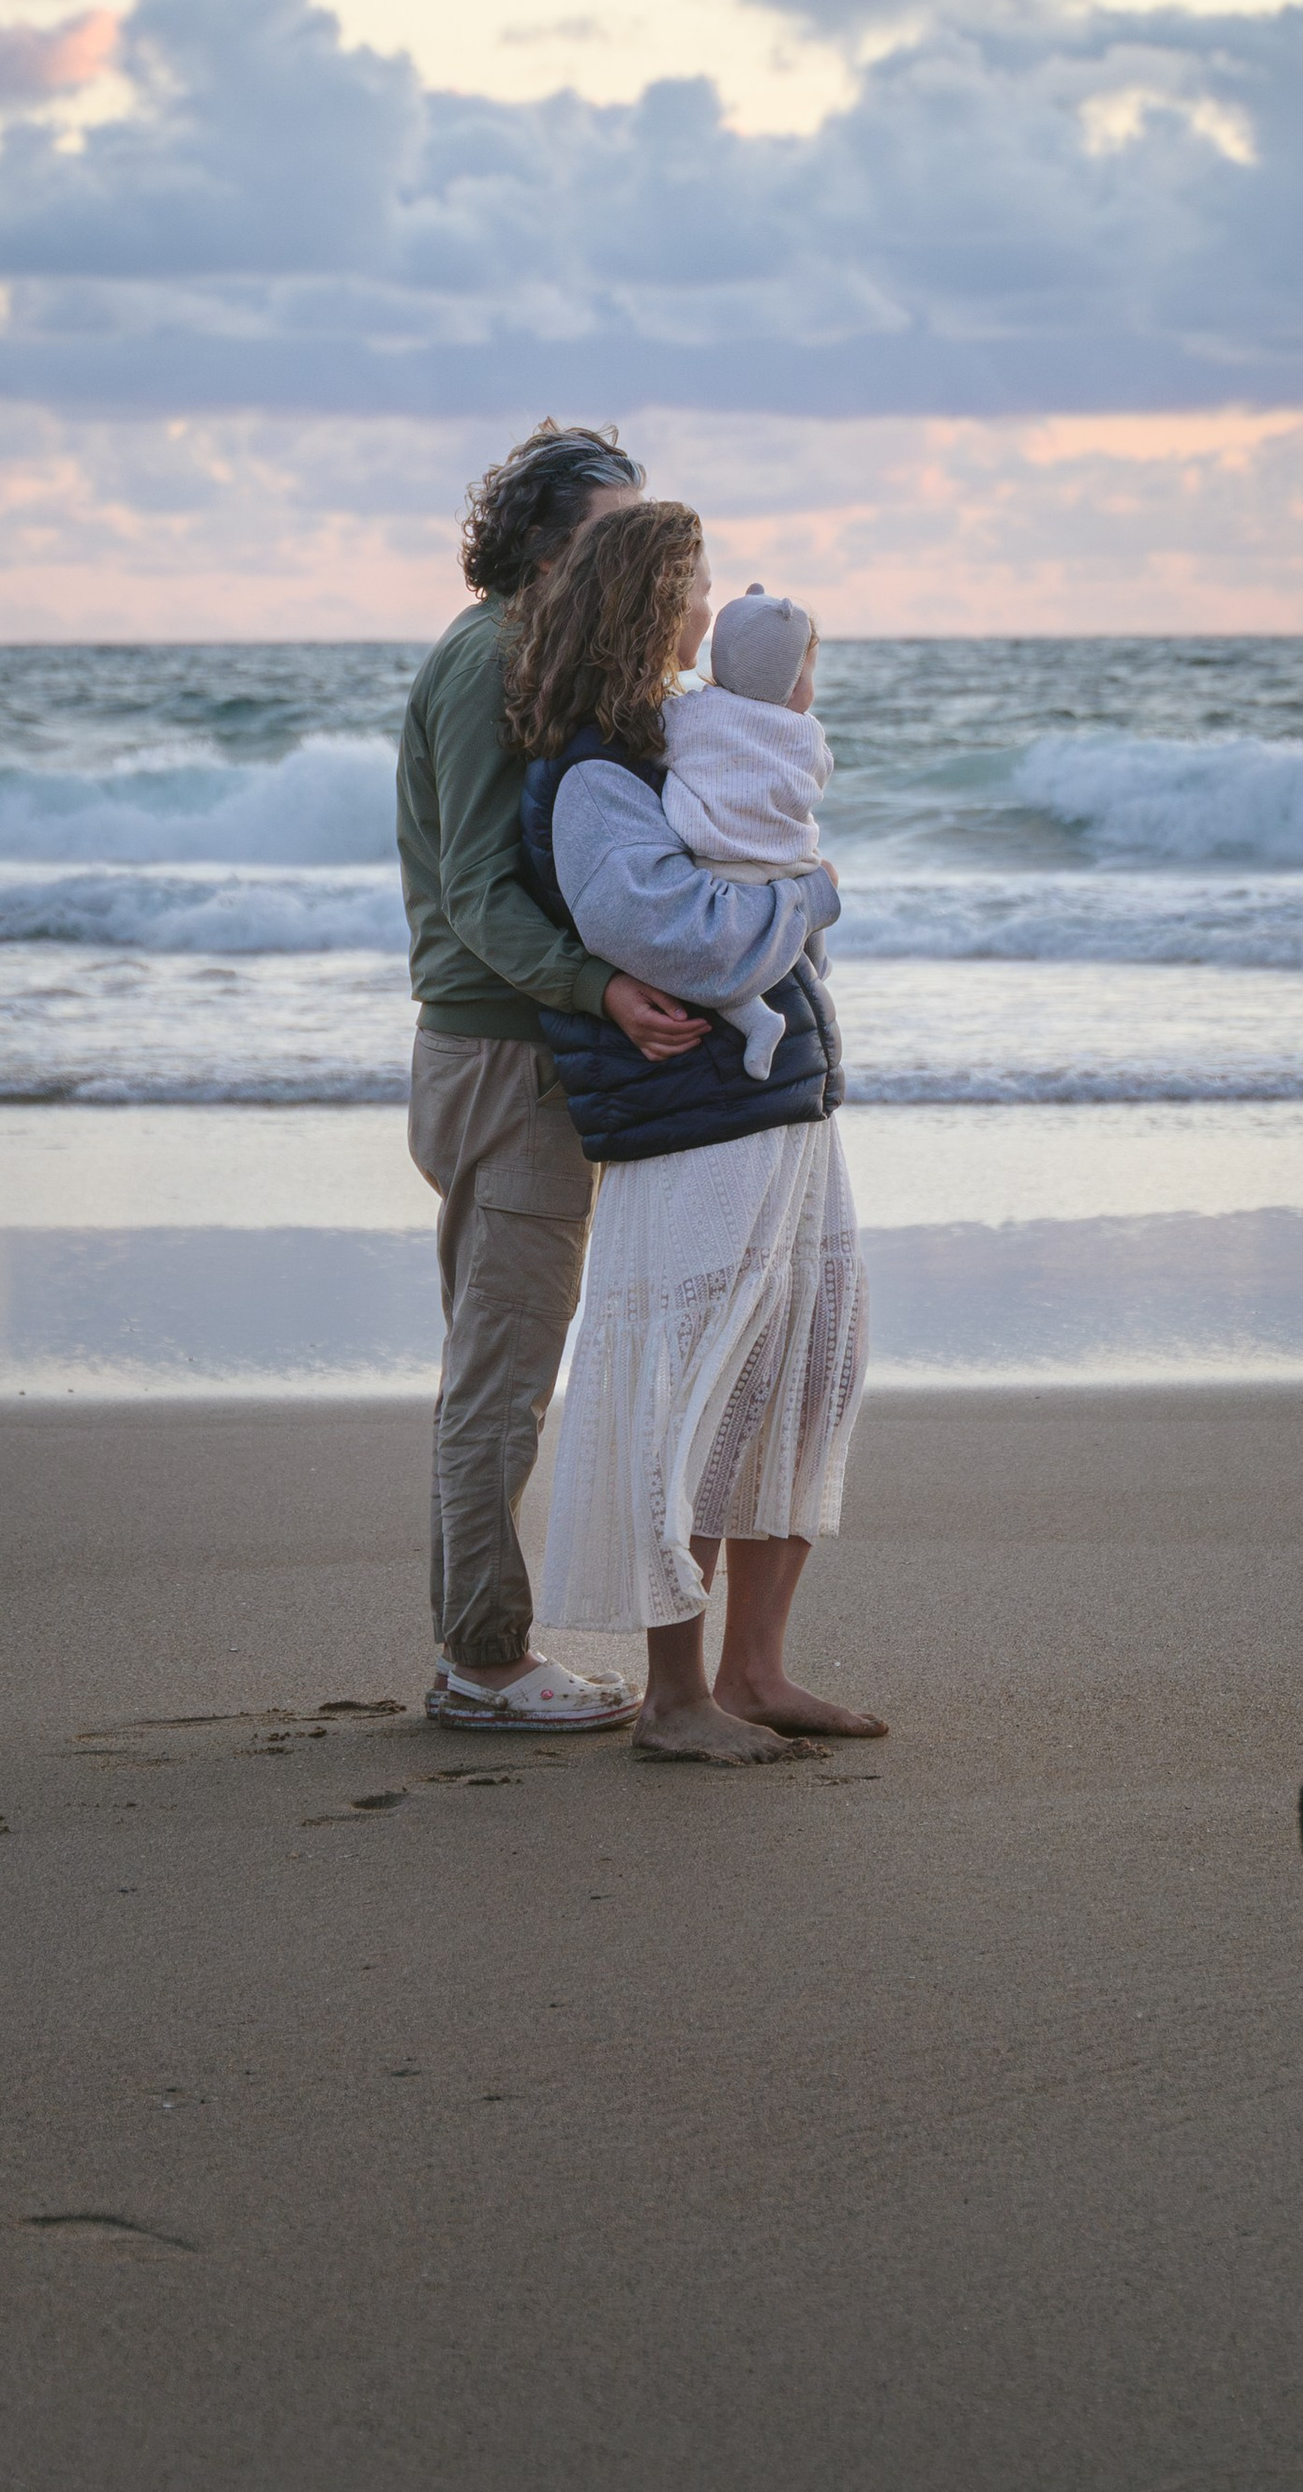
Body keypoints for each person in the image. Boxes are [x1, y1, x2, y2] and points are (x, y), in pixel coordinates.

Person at [509, 500, 885, 1765]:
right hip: (696, 1126)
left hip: (781, 1105)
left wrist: (779, 891)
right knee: (698, 1392)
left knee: (805, 1373)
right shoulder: (594, 772)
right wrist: (811, 889)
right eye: (694, 584)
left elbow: (744, 899)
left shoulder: (694, 747)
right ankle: (674, 1699)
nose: (708, 608)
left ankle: (758, 1671)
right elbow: (677, 932)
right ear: (643, 600)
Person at [395, 418, 712, 1738]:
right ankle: (482, 1660)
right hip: (502, 1055)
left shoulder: (535, 655)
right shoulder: (489, 658)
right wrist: (600, 988)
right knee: (504, 1373)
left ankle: (483, 1648)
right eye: (602, 535)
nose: (628, 562)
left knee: (503, 1359)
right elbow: (475, 894)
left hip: (518, 1054)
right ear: (537, 542)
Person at [658, 580, 832, 1081]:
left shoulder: (691, 714)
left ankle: (756, 1017)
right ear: (791, 682)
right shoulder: (805, 732)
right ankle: (810, 972)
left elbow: (656, 747)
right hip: (791, 862)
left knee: (709, 960)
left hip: (721, 865)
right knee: (804, 911)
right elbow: (819, 775)